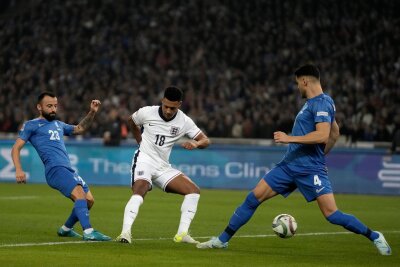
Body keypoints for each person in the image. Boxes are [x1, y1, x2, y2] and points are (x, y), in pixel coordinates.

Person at [196, 64, 392, 256]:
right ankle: (222, 241)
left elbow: (323, 135)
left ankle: (374, 236)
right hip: (289, 166)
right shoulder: (317, 104)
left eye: (298, 83)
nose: (297, 87)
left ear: (305, 80)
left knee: (332, 215)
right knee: (252, 198)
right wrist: (322, 154)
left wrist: (290, 139)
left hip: (310, 169)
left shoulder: (322, 103)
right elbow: (335, 133)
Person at [115, 86, 210, 244]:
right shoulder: (147, 112)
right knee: (141, 188)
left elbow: (205, 140)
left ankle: (182, 234)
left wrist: (196, 143)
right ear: (162, 101)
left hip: (163, 166)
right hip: (144, 159)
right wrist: (140, 141)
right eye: (165, 106)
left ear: (179, 104)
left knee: (193, 191)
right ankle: (125, 233)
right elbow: (131, 121)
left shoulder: (184, 121)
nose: (168, 111)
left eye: (172, 108)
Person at [11, 92, 111, 241]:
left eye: (55, 106)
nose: (53, 109)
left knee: (89, 201)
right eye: (49, 106)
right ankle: (89, 231)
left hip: (67, 168)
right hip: (55, 169)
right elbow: (16, 148)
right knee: (79, 194)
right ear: (39, 107)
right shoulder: (31, 125)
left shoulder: (58, 124)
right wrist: (19, 169)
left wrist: (92, 113)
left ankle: (65, 229)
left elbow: (79, 128)